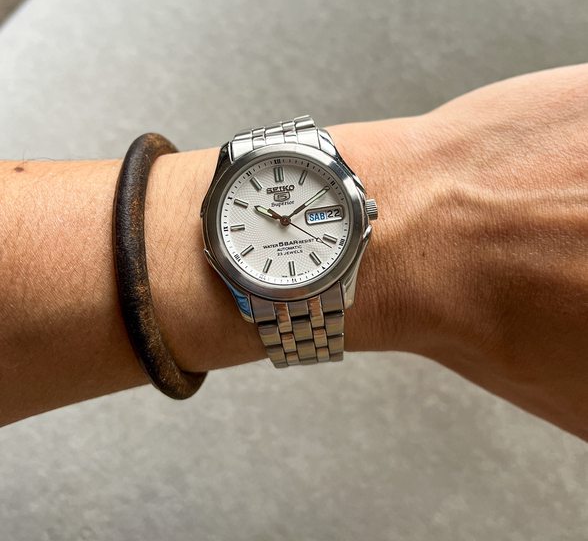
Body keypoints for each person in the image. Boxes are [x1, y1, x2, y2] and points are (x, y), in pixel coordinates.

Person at [0, 63, 586, 440]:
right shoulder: (228, 244)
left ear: (364, 212)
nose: (282, 219)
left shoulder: (346, 217)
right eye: (275, 216)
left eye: (292, 214)